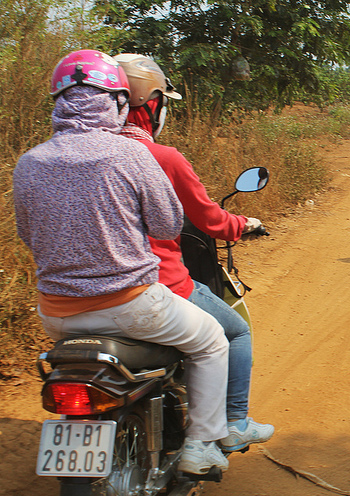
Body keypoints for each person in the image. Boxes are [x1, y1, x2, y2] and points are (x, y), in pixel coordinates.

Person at [14, 49, 231, 475]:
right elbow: (168, 225)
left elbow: (28, 234)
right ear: (116, 103)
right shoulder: (130, 154)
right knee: (212, 342)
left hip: (57, 317)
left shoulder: (29, 162)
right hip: (132, 306)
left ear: (59, 103)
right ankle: (201, 444)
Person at [114, 53, 274, 452]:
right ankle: (233, 421)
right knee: (234, 332)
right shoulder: (161, 158)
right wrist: (244, 224)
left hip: (68, 301)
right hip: (152, 285)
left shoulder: (63, 157)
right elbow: (207, 220)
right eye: (163, 101)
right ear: (151, 104)